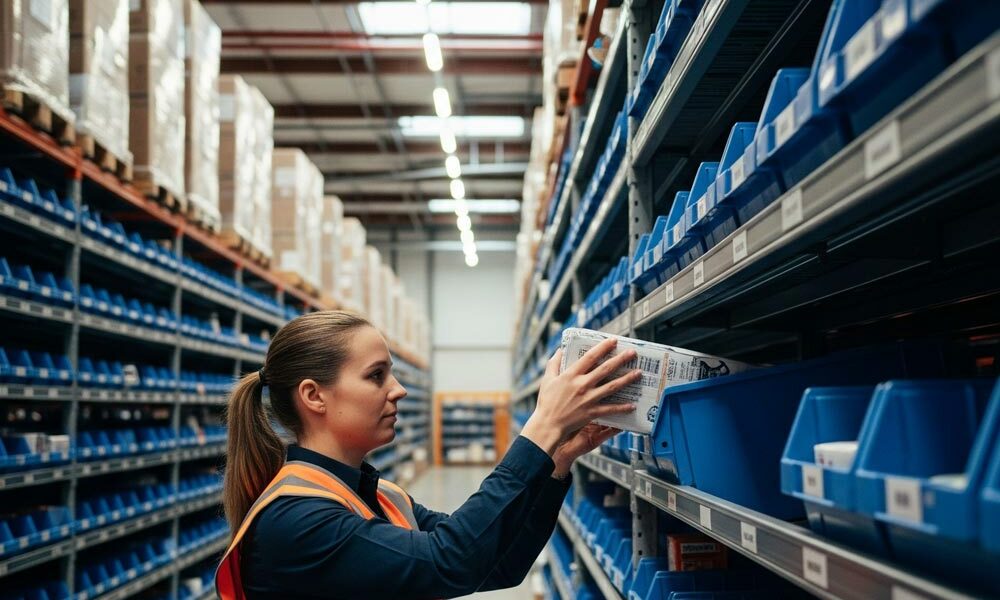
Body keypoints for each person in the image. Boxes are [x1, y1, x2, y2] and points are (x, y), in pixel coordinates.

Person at [217, 310, 641, 600]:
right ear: (314, 396)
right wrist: (540, 429)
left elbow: (497, 565)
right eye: (376, 375)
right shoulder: (297, 520)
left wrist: (557, 461)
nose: (398, 389)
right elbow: (451, 560)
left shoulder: (380, 496)